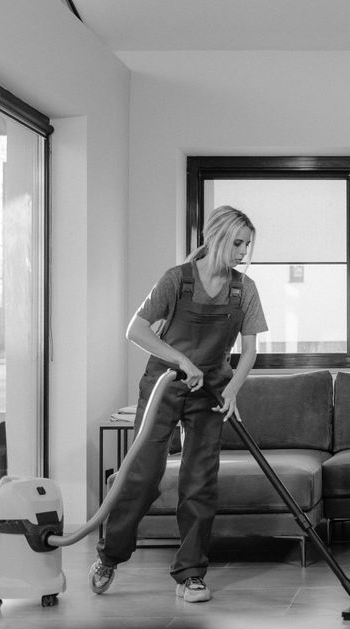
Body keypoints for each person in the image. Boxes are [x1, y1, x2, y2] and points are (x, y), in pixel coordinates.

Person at [90, 205, 268, 602]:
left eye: (247, 244)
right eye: (238, 243)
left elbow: (252, 349)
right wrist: (181, 361)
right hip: (165, 386)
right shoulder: (178, 280)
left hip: (211, 391)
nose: (243, 252)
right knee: (142, 476)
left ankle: (191, 574)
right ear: (217, 238)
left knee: (200, 482)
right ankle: (110, 555)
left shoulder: (244, 289)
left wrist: (234, 388)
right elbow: (135, 330)